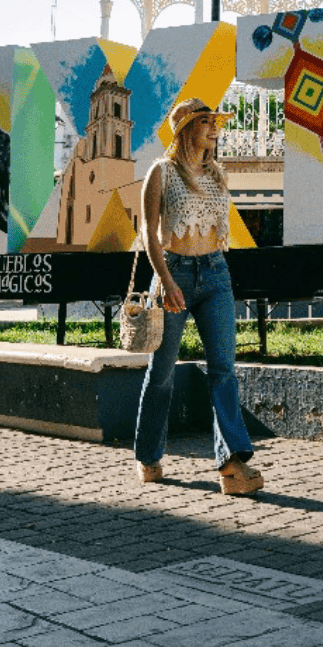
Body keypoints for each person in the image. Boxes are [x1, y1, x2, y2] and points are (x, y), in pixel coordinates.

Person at [133, 98, 262, 495]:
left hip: (216, 274)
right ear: (186, 128)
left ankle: (230, 463)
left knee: (223, 369)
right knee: (163, 373)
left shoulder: (217, 174)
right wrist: (166, 280)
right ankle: (148, 455)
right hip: (175, 275)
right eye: (204, 121)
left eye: (214, 121)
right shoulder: (163, 172)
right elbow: (151, 235)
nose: (213, 128)